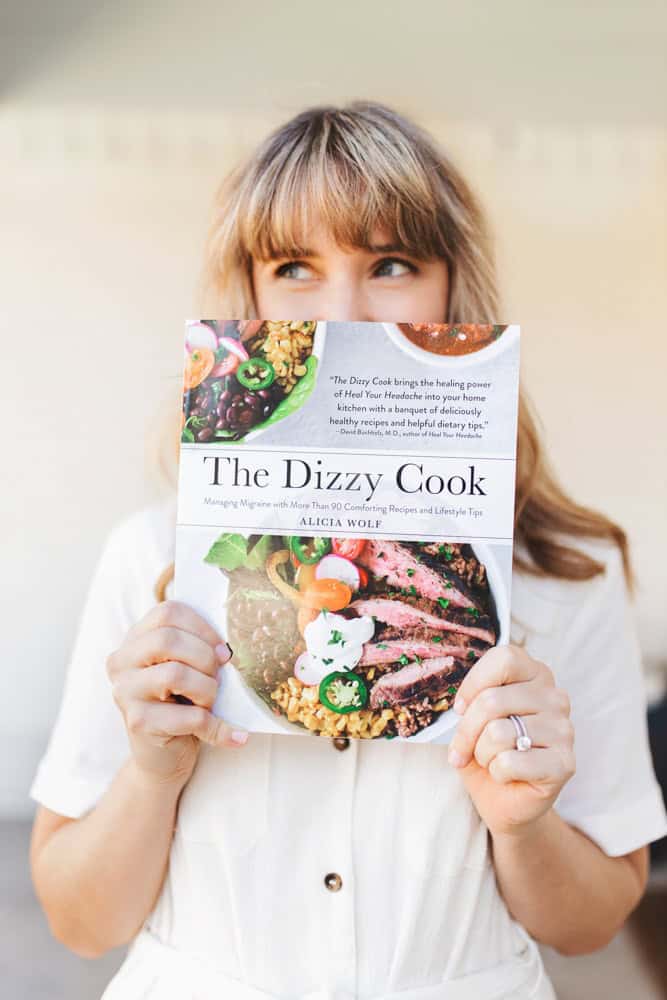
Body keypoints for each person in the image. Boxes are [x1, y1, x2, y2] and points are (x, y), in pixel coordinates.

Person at [29, 103, 667, 1000]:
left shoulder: (563, 582)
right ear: (247, 300)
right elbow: (78, 921)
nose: (343, 313)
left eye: (391, 264)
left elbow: (591, 923)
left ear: (453, 295)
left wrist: (522, 826)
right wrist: (152, 773)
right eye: (294, 268)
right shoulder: (152, 560)